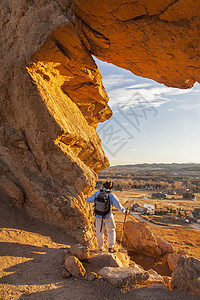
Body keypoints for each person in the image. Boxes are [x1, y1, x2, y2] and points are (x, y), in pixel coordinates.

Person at [86, 180, 128, 252]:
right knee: (111, 231)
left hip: (98, 216)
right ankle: (110, 247)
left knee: (99, 232)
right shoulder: (111, 195)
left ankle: (100, 248)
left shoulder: (98, 193)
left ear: (104, 186)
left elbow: (89, 200)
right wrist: (124, 211)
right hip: (108, 216)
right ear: (111, 187)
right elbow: (117, 205)